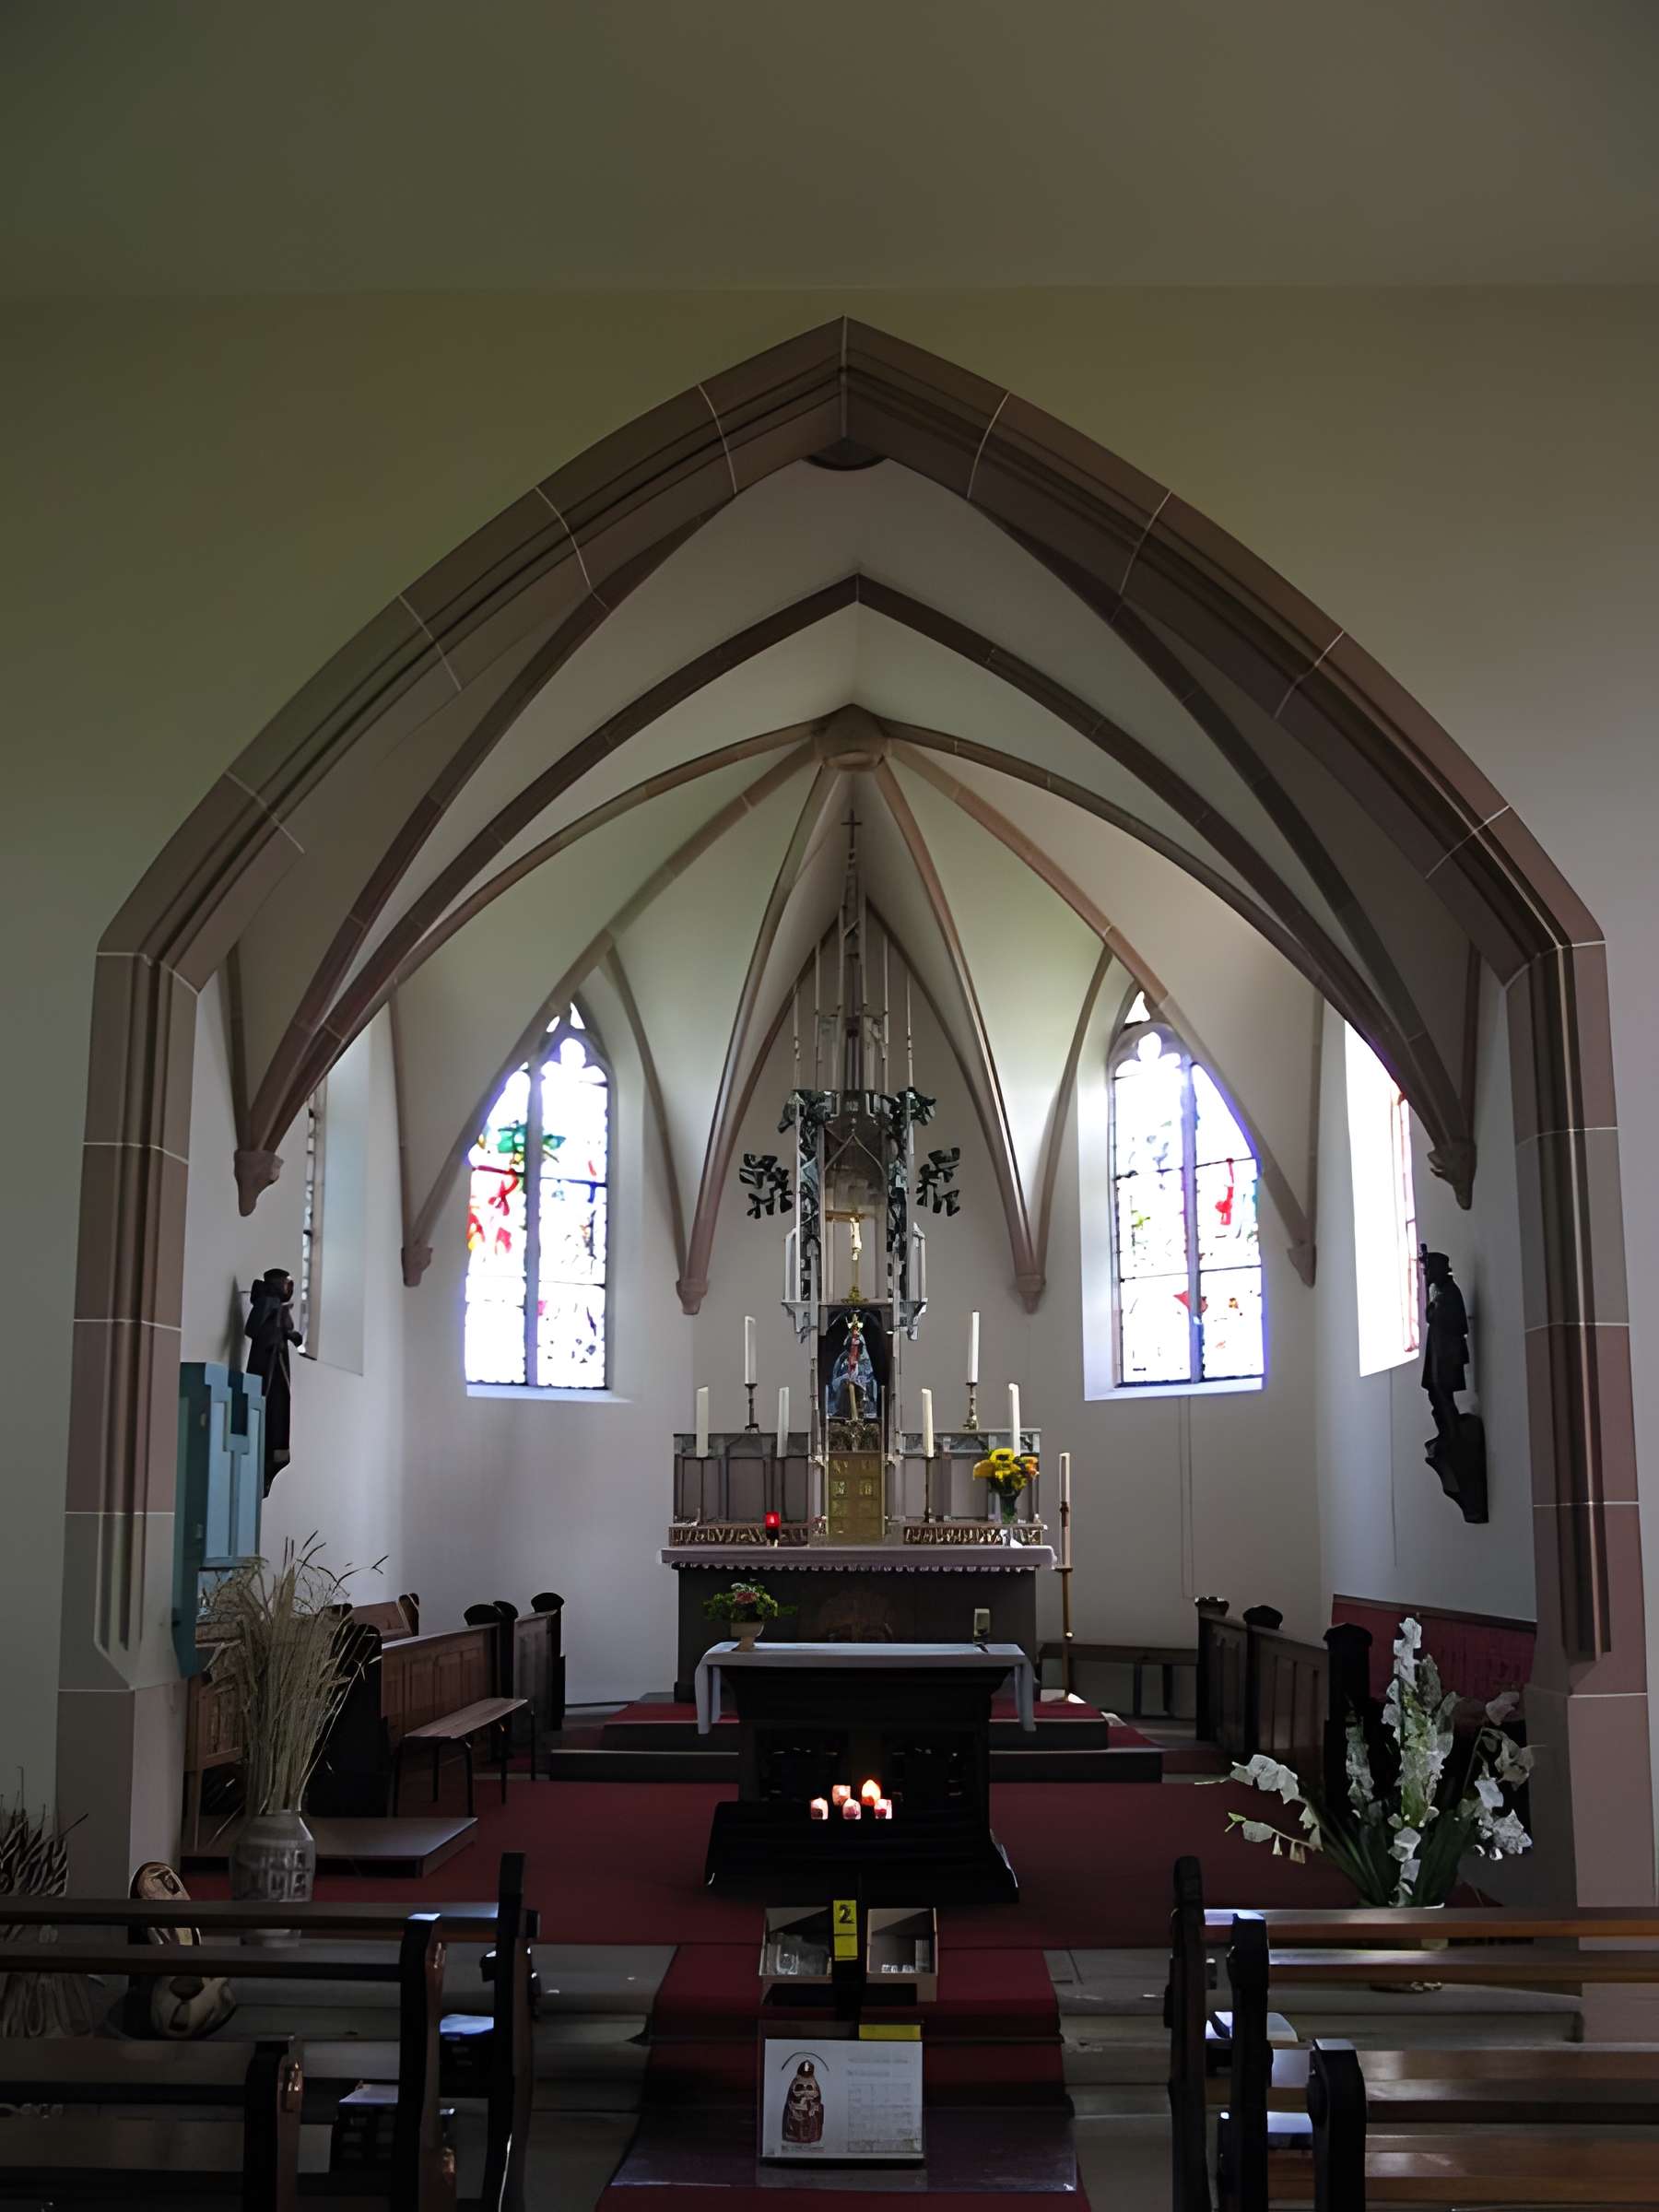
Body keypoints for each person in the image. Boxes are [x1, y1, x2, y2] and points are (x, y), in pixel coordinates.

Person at [245, 1266, 301, 1496]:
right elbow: (253, 1329)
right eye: (286, 1283)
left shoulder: (277, 1306)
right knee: (271, 1405)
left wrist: (290, 1335)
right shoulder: (267, 1302)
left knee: (279, 1406)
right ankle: (267, 1457)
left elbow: (284, 1329)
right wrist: (275, 1333)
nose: (289, 1288)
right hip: (266, 1364)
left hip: (278, 1364)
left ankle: (273, 1457)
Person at [782, 2057, 825, 2145]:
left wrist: (813, 2108)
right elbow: (791, 2099)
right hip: (795, 2112)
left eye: (809, 2088)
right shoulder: (795, 2082)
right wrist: (794, 2109)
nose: (805, 2092)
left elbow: (817, 2100)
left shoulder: (813, 2083)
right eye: (800, 2087)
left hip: (810, 2116)